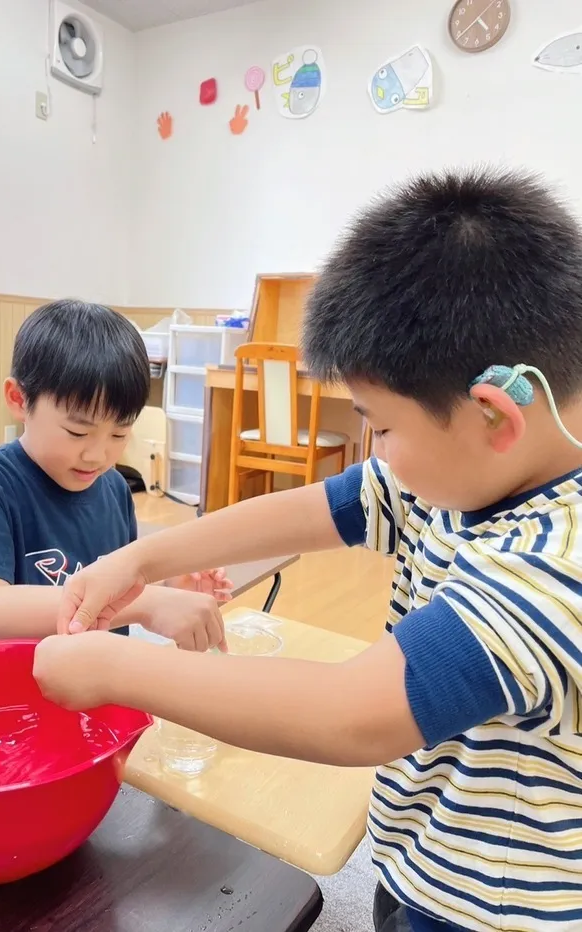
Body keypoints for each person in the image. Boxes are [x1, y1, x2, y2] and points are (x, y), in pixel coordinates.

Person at [33, 169, 582, 932]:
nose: (376, 453)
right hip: (427, 848)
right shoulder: (465, 471)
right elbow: (317, 507)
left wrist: (116, 669)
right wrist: (140, 561)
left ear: (495, 413)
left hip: (497, 909)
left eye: (379, 426)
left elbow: (351, 715)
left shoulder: (556, 567)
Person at [0, 299, 232, 649]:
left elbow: (124, 582)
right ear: (18, 399)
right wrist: (147, 605)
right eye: (77, 432)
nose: (97, 455)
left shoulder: (113, 488)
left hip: (93, 684)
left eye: (119, 434)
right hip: (3, 691)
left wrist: (173, 587)